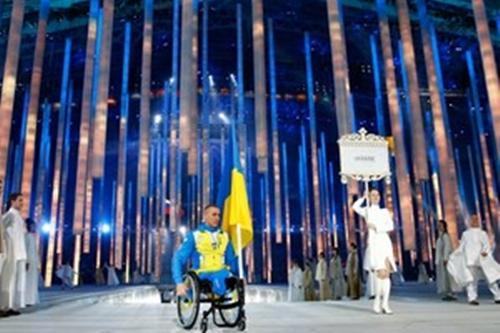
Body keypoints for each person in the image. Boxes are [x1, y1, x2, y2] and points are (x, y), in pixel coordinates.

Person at [172, 205, 238, 297]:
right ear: (205, 216)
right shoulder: (195, 235)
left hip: (222, 272)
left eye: (219, 215)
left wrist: (241, 275)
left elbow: (232, 259)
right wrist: (179, 282)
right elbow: (178, 258)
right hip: (202, 274)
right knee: (218, 279)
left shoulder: (224, 236)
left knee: (232, 281)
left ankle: (223, 294)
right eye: (214, 215)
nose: (217, 218)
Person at [353, 189, 396, 314]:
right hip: (374, 244)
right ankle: (377, 300)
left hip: (385, 242)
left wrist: (377, 227)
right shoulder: (367, 210)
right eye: (373, 195)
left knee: (387, 274)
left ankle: (386, 304)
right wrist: (363, 197)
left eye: (377, 194)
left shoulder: (384, 212)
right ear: (370, 197)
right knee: (379, 274)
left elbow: (391, 226)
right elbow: (355, 207)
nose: (376, 197)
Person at [447, 215, 500, 305]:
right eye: (473, 219)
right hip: (470, 260)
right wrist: (454, 255)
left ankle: (498, 296)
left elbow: (486, 245)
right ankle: (472, 298)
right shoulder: (466, 234)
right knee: (471, 280)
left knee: (491, 279)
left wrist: (485, 252)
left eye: (476, 219)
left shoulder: (483, 233)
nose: (474, 221)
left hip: (482, 260)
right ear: (470, 221)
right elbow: (462, 247)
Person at [0, 193, 28, 317]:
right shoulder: (9, 215)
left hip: (20, 253)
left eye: (22, 200)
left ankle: (11, 306)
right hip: (11, 253)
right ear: (12, 201)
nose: (22, 203)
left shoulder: (18, 217)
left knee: (16, 282)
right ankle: (3, 306)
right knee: (8, 281)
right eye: (20, 200)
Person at [435, 220, 456, 301]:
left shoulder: (445, 236)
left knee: (447, 277)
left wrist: (445, 258)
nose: (439, 227)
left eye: (440, 225)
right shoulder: (440, 236)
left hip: (445, 260)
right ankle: (447, 292)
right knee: (443, 277)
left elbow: (447, 247)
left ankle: (450, 293)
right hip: (441, 259)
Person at [25, 218, 39, 306]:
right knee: (28, 281)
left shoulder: (31, 236)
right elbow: (26, 250)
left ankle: (30, 299)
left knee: (32, 281)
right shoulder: (26, 236)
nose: (35, 227)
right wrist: (26, 262)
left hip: (33, 263)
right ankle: (26, 299)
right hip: (28, 262)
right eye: (33, 225)